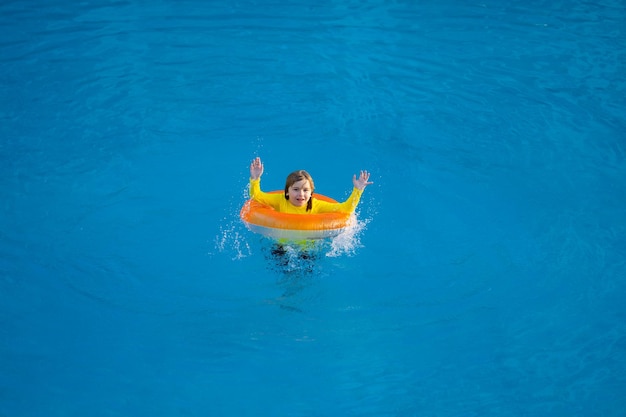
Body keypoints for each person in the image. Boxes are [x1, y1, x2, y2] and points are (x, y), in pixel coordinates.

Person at [248, 156, 372, 214]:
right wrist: (255, 178)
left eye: (305, 190)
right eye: (296, 189)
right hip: (284, 244)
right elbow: (256, 196)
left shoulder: (316, 205)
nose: (301, 194)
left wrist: (358, 190)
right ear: (287, 191)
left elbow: (345, 209)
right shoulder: (280, 200)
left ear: (311, 193)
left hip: (307, 248)